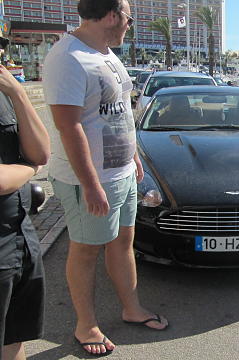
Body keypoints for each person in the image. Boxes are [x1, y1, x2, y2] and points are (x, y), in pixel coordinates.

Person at [43, 0, 168, 356]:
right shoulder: (68, 57)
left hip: (122, 173)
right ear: (112, 16)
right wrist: (91, 184)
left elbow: (120, 113)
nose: (130, 23)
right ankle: (86, 326)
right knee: (85, 252)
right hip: (91, 180)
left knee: (122, 243)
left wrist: (133, 157)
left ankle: (131, 309)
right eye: (128, 17)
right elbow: (69, 126)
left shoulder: (107, 54)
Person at [0, 35, 50, 360]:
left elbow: (41, 149)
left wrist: (18, 92)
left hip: (19, 240)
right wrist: (30, 168)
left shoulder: (6, 92)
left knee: (14, 338)